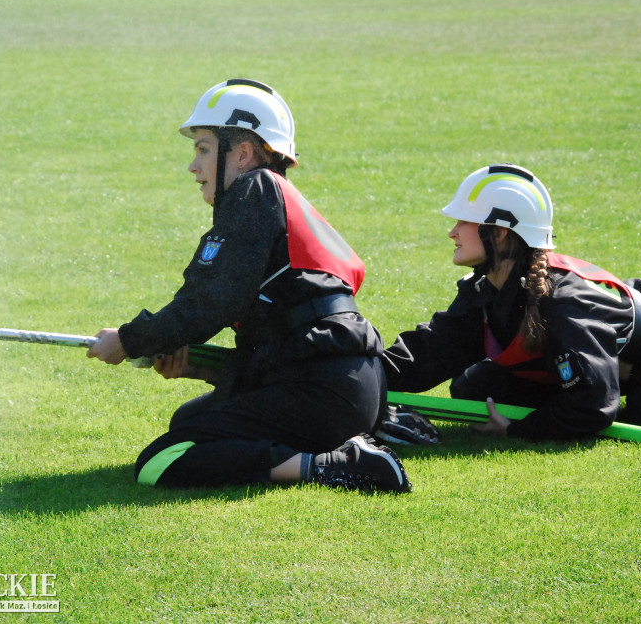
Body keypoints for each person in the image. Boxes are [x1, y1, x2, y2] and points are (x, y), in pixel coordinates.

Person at [86, 79, 411, 492]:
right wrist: (196, 366)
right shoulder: (273, 197)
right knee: (188, 421)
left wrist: (131, 340)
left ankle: (336, 463)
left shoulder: (254, 190)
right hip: (343, 386)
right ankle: (358, 436)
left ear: (241, 154)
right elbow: (281, 339)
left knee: (160, 462)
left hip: (323, 391)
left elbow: (211, 300)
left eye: (203, 149)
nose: (193, 166)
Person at [382, 163, 641, 441]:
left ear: (501, 232)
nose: (452, 231)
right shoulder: (485, 290)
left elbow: (591, 408)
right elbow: (428, 355)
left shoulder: (564, 302)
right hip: (590, 364)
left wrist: (517, 430)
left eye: (464, 221)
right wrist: (353, 376)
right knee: (474, 388)